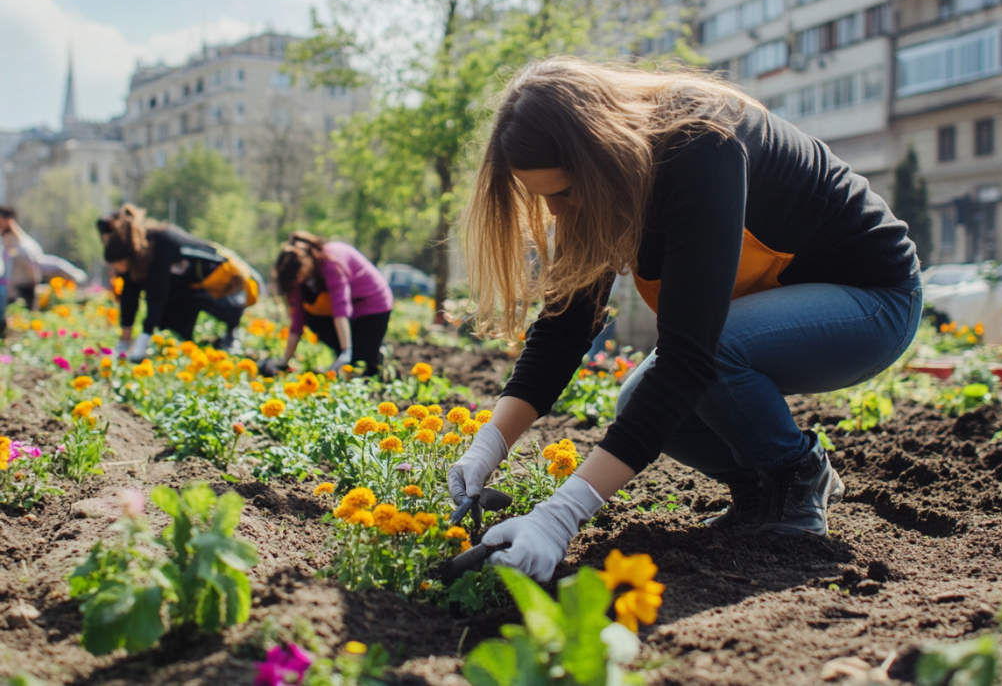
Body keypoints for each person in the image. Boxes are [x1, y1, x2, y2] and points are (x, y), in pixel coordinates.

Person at [448, 58, 923, 582]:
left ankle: (797, 474)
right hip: (772, 315)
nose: (557, 211)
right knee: (639, 399)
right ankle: (763, 493)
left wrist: (561, 517)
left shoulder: (702, 145)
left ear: (602, 154)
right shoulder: (602, 186)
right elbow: (565, 329)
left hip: (873, 304)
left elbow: (689, 356)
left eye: (563, 192)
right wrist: (489, 444)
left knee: (710, 356)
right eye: (544, 198)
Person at [98, 204, 259, 360]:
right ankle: (185, 344)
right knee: (170, 326)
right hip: (190, 287)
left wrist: (144, 337)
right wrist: (124, 342)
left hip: (228, 286)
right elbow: (130, 296)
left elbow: (157, 293)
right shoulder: (137, 257)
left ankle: (231, 335)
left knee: (175, 301)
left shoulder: (160, 243)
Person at [270, 233, 394, 376]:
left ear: (305, 263)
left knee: (361, 363)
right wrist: (285, 360)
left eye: (299, 276)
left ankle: (372, 353)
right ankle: (353, 353)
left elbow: (340, 305)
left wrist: (346, 351)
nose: (299, 280)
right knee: (313, 318)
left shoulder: (330, 261)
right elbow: (298, 317)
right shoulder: (298, 276)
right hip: (349, 308)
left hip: (372, 304)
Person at [0, 206, 43, 311]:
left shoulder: (21, 245)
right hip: (11, 287)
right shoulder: (6, 238)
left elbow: (32, 267)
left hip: (23, 287)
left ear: (8, 220)